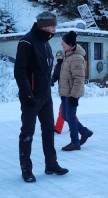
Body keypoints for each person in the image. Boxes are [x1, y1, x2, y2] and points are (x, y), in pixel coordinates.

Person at [14, 11, 69, 182]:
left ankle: (51, 164)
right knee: (27, 133)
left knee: (49, 130)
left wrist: (48, 88)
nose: (55, 29)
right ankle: (26, 169)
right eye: (52, 26)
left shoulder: (45, 44)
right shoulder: (27, 42)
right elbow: (20, 71)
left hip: (45, 96)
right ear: (43, 26)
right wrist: (27, 94)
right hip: (31, 97)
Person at [59, 30, 93, 151]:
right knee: (64, 115)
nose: (61, 43)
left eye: (64, 42)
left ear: (70, 44)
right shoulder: (68, 56)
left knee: (70, 117)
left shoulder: (76, 58)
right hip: (66, 92)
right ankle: (84, 131)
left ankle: (75, 142)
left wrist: (74, 97)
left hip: (71, 94)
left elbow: (79, 79)